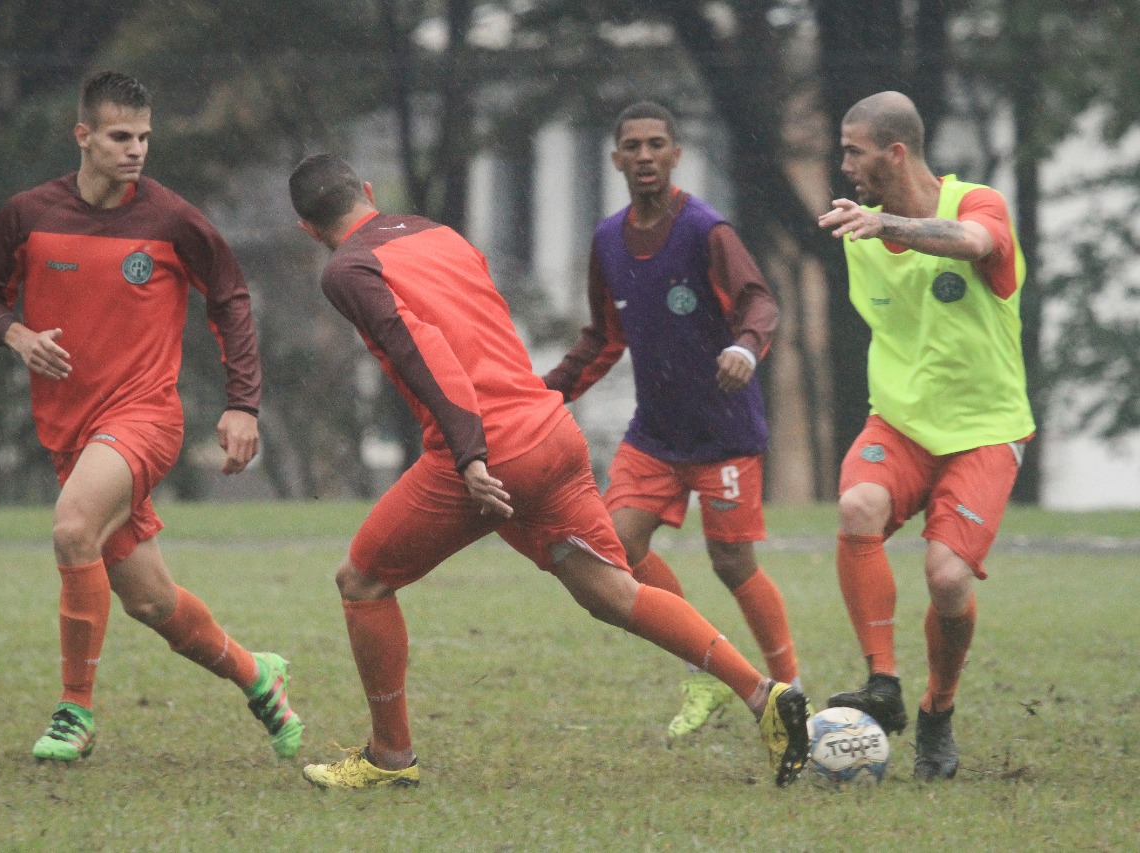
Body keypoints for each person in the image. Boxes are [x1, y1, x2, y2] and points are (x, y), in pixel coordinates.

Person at [287, 152, 811, 791]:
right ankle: (762, 695)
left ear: (308, 230)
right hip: (549, 431)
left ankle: (390, 757)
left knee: (362, 581)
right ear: (367, 191)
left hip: (488, 451)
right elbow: (485, 320)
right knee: (613, 593)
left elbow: (415, 345)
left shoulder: (347, 268)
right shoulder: (437, 232)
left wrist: (469, 451)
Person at [0, 71, 302, 763]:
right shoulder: (28, 215)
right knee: (152, 604)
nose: (136, 150)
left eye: (144, 137)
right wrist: (17, 335)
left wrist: (243, 403)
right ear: (82, 135)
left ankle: (74, 711)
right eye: (121, 136)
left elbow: (232, 298)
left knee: (70, 525)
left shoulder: (172, 219)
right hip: (71, 431)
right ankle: (256, 673)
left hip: (145, 417)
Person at [544, 101, 805, 744]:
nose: (643, 156)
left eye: (656, 144)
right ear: (615, 160)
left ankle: (791, 690)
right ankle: (707, 669)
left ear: (676, 154)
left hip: (724, 433)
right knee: (615, 552)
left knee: (732, 563)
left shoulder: (706, 230)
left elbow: (759, 300)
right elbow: (604, 338)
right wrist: (539, 396)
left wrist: (745, 347)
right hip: (654, 436)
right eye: (631, 146)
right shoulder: (607, 240)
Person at [817, 91, 1035, 780]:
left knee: (945, 577)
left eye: (854, 150)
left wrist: (889, 226)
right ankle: (883, 683)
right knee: (857, 508)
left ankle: (938, 710)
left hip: (986, 428)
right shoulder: (859, 228)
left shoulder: (977, 203)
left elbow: (974, 244)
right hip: (902, 423)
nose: (844, 163)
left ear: (895, 152)